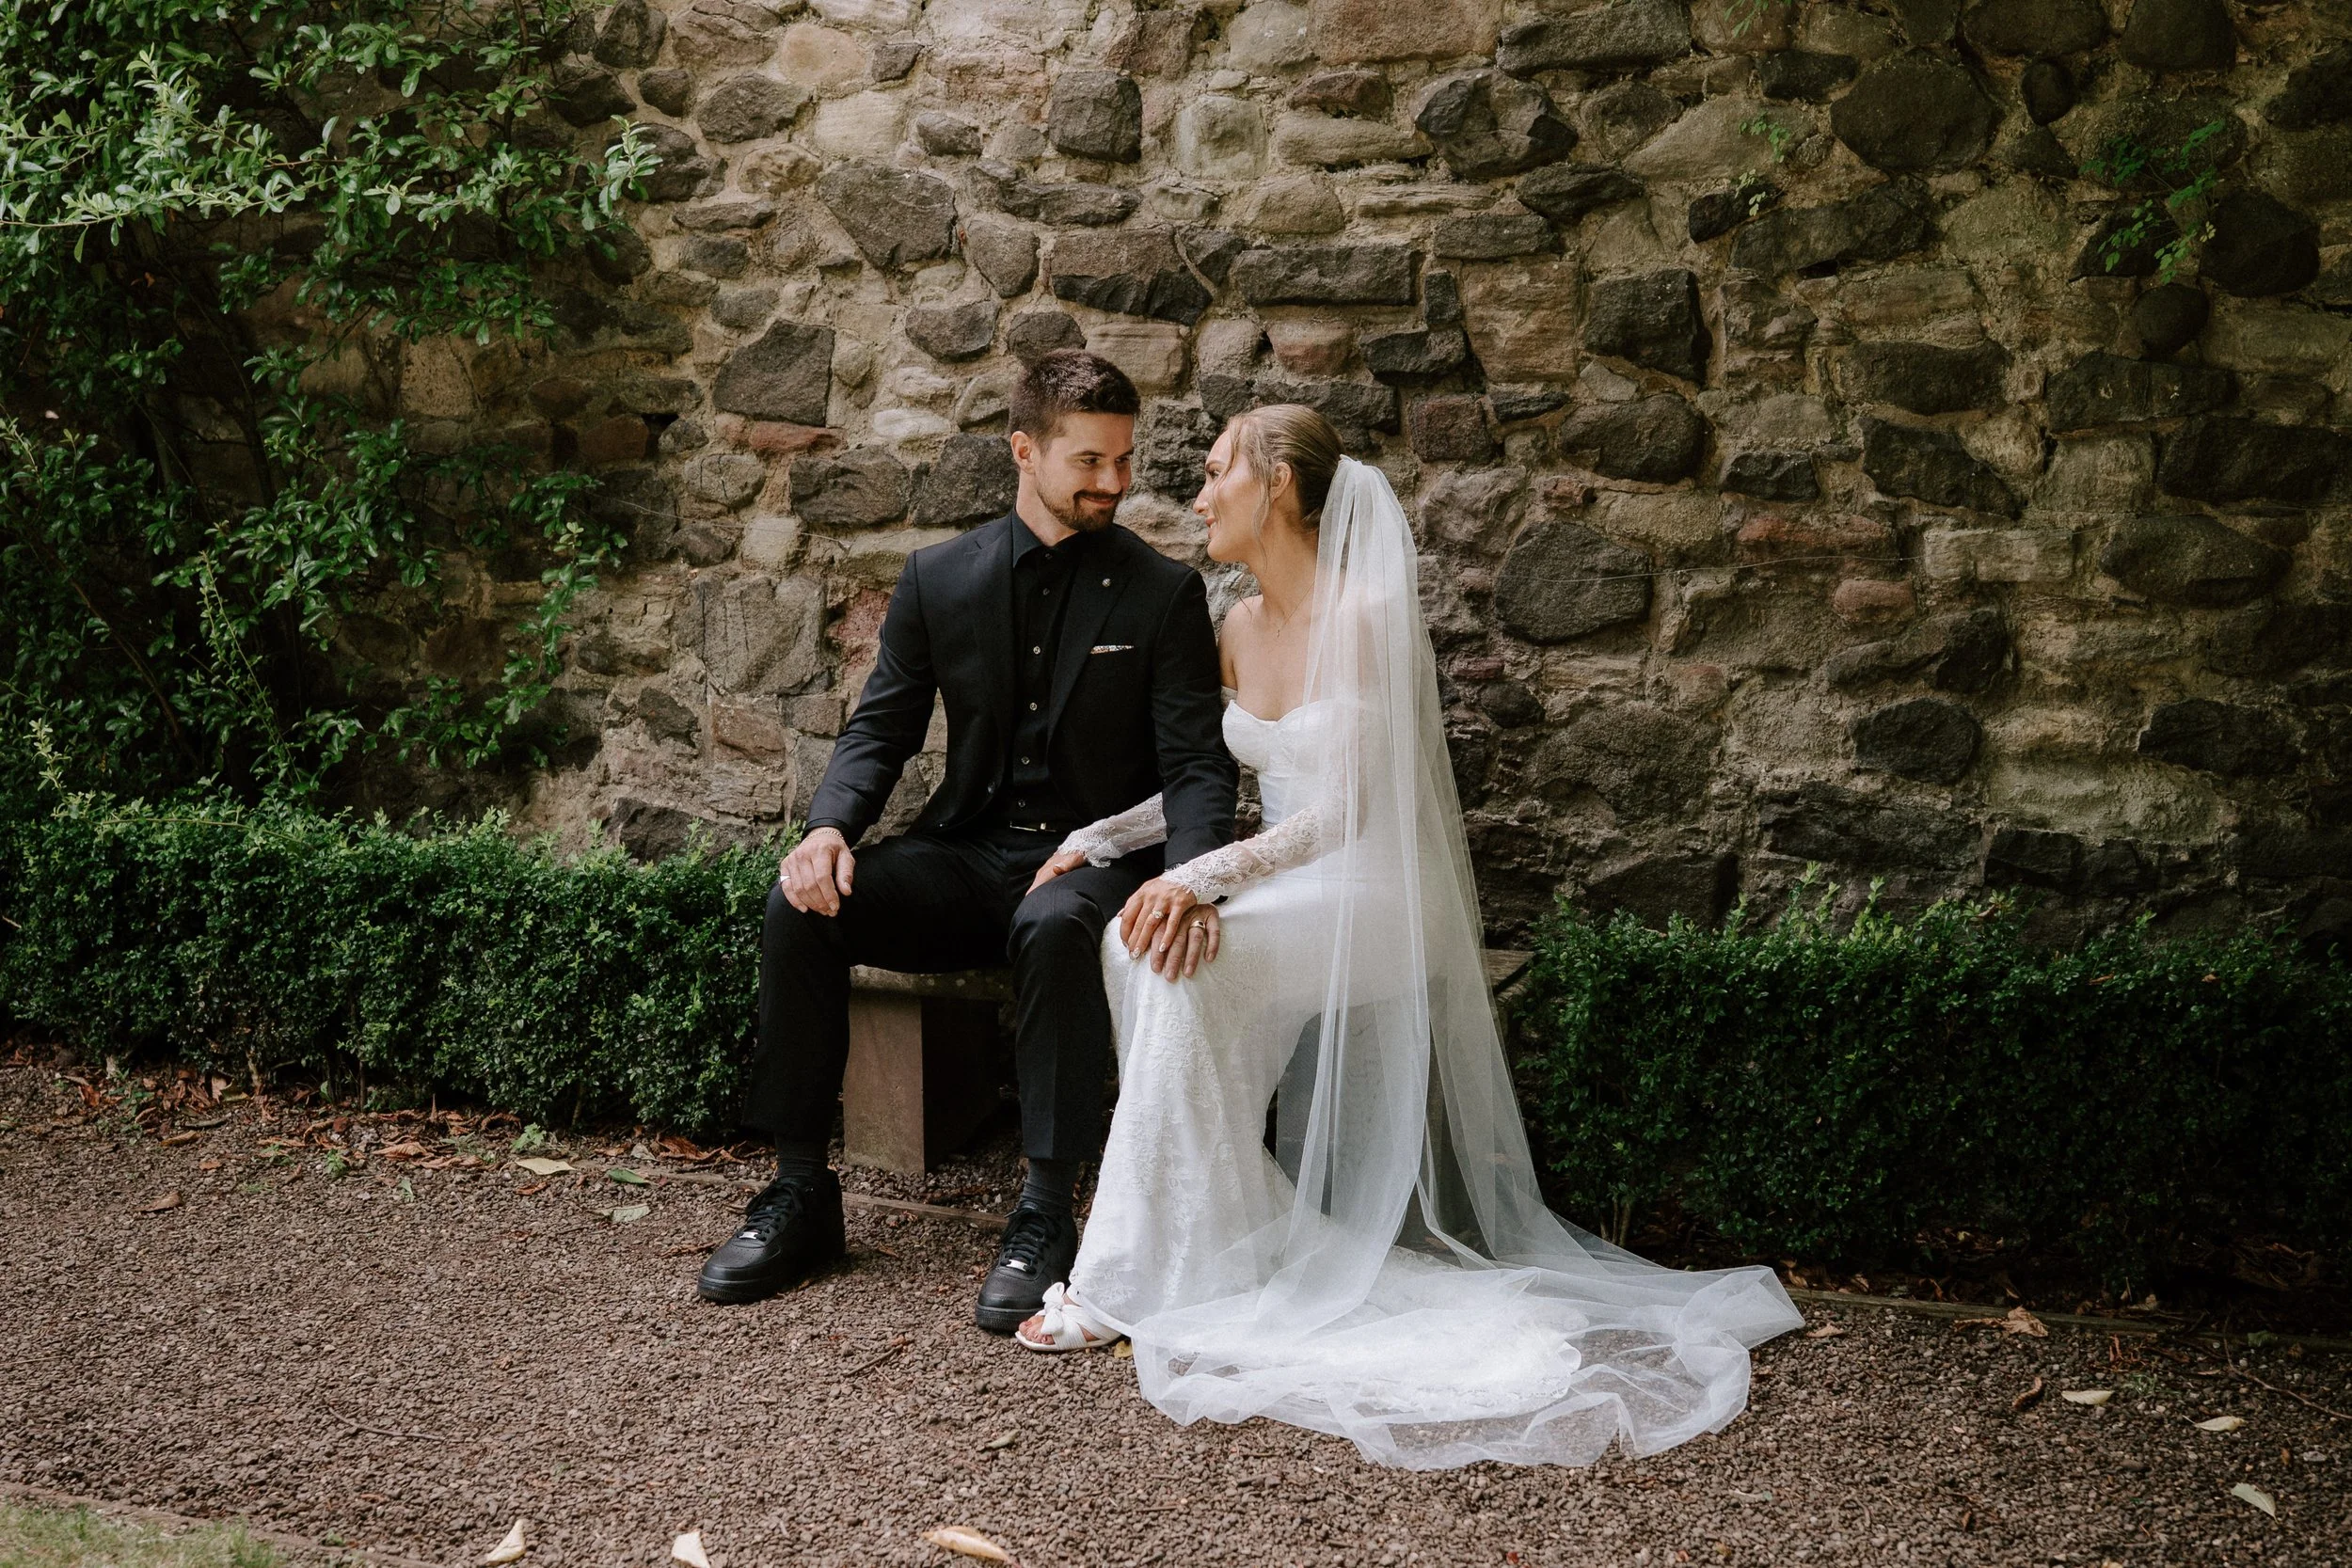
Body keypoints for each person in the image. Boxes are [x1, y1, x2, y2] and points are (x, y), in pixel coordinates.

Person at [1009, 404, 1805, 1469]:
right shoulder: (1235, 625)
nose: (1196, 497)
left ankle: (1115, 1271)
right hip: (1284, 886)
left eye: (1213, 474)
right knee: (1130, 945)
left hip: (1372, 894)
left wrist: (1198, 878)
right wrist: (1099, 834)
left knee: (1188, 961)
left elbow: (1343, 812)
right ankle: (1225, 1231)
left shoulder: (1368, 614)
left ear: (1278, 482)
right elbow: (1201, 773)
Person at [694, 351, 1239, 1336]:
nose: (1114, 481)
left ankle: (1042, 1212)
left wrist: (1193, 879)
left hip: (1094, 862)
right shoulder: (939, 577)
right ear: (1023, 451)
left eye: (1123, 459)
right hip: (968, 850)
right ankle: (800, 1194)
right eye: (1090, 460)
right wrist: (826, 830)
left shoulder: (1161, 592)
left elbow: (1197, 764)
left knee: (1054, 921)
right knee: (799, 904)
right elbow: (881, 727)